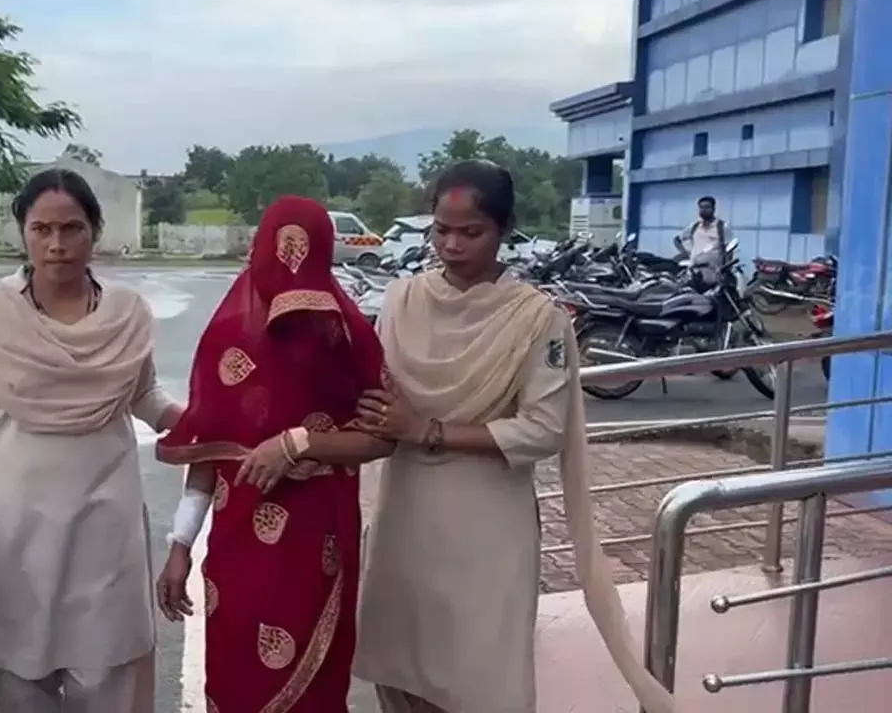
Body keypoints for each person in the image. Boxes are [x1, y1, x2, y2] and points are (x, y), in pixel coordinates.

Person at [351, 160, 675, 713]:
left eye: (471, 232)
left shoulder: (535, 319)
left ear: (505, 229)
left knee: (482, 673)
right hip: (405, 518)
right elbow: (375, 397)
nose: (452, 245)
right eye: (441, 230)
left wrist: (427, 430)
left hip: (488, 526)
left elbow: (542, 430)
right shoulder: (401, 301)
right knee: (401, 666)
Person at [0, 168, 182, 713]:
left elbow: (145, 395)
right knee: (14, 678)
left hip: (106, 531)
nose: (57, 244)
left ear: (95, 232)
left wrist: (203, 422)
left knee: (112, 677)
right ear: (24, 233)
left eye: (72, 228)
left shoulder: (126, 315)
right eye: (42, 229)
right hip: (10, 532)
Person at [155, 195, 394, 712]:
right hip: (236, 551)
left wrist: (299, 444)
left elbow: (383, 436)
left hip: (318, 549)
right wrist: (180, 545)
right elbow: (208, 454)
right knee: (236, 681)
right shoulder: (226, 337)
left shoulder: (348, 335)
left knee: (314, 691)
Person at [677, 195, 732, 282]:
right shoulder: (694, 226)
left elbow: (729, 250)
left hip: (714, 272)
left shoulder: (722, 227)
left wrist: (727, 270)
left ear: (713, 209)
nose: (704, 210)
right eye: (701, 207)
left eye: (707, 207)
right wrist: (686, 252)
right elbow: (678, 240)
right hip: (694, 271)